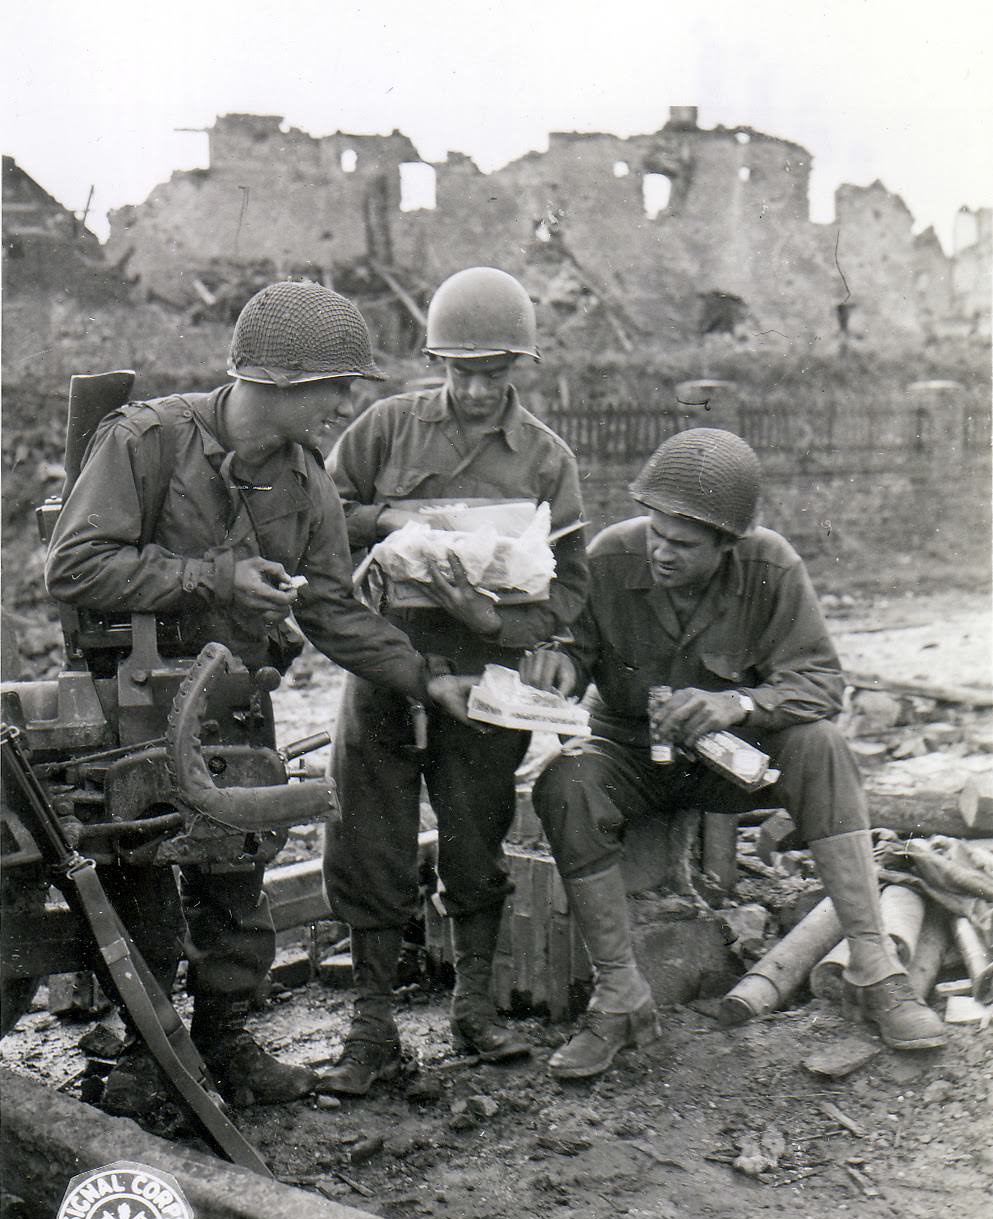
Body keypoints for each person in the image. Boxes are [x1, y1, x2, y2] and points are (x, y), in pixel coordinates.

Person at [45, 280, 475, 1119]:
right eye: (335, 384)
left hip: (233, 705)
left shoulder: (306, 481)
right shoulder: (148, 441)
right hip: (128, 703)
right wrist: (212, 577)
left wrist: (424, 676)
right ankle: (148, 1053)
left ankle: (227, 1040)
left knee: (238, 884)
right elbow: (74, 565)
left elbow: (329, 607)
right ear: (284, 382)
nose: (344, 401)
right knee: (140, 880)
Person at [520, 426, 946, 1080]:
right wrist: (558, 670)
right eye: (654, 533)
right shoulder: (609, 559)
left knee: (821, 746)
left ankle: (872, 967)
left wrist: (739, 704)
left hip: (733, 763)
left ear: (728, 545)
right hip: (631, 755)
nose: (661, 553)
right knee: (564, 782)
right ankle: (618, 996)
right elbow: (573, 651)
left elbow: (821, 685)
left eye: (683, 545)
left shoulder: (769, 568)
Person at [321, 266, 590, 1095]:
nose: (475, 389)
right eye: (460, 370)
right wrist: (384, 520)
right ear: (436, 362)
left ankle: (473, 1008)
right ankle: (370, 1029)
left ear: (520, 366)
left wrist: (501, 627)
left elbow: (571, 588)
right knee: (369, 835)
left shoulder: (544, 459)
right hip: (386, 662)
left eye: (494, 371)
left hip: (485, 674)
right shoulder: (385, 429)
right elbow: (317, 514)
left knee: (475, 836)